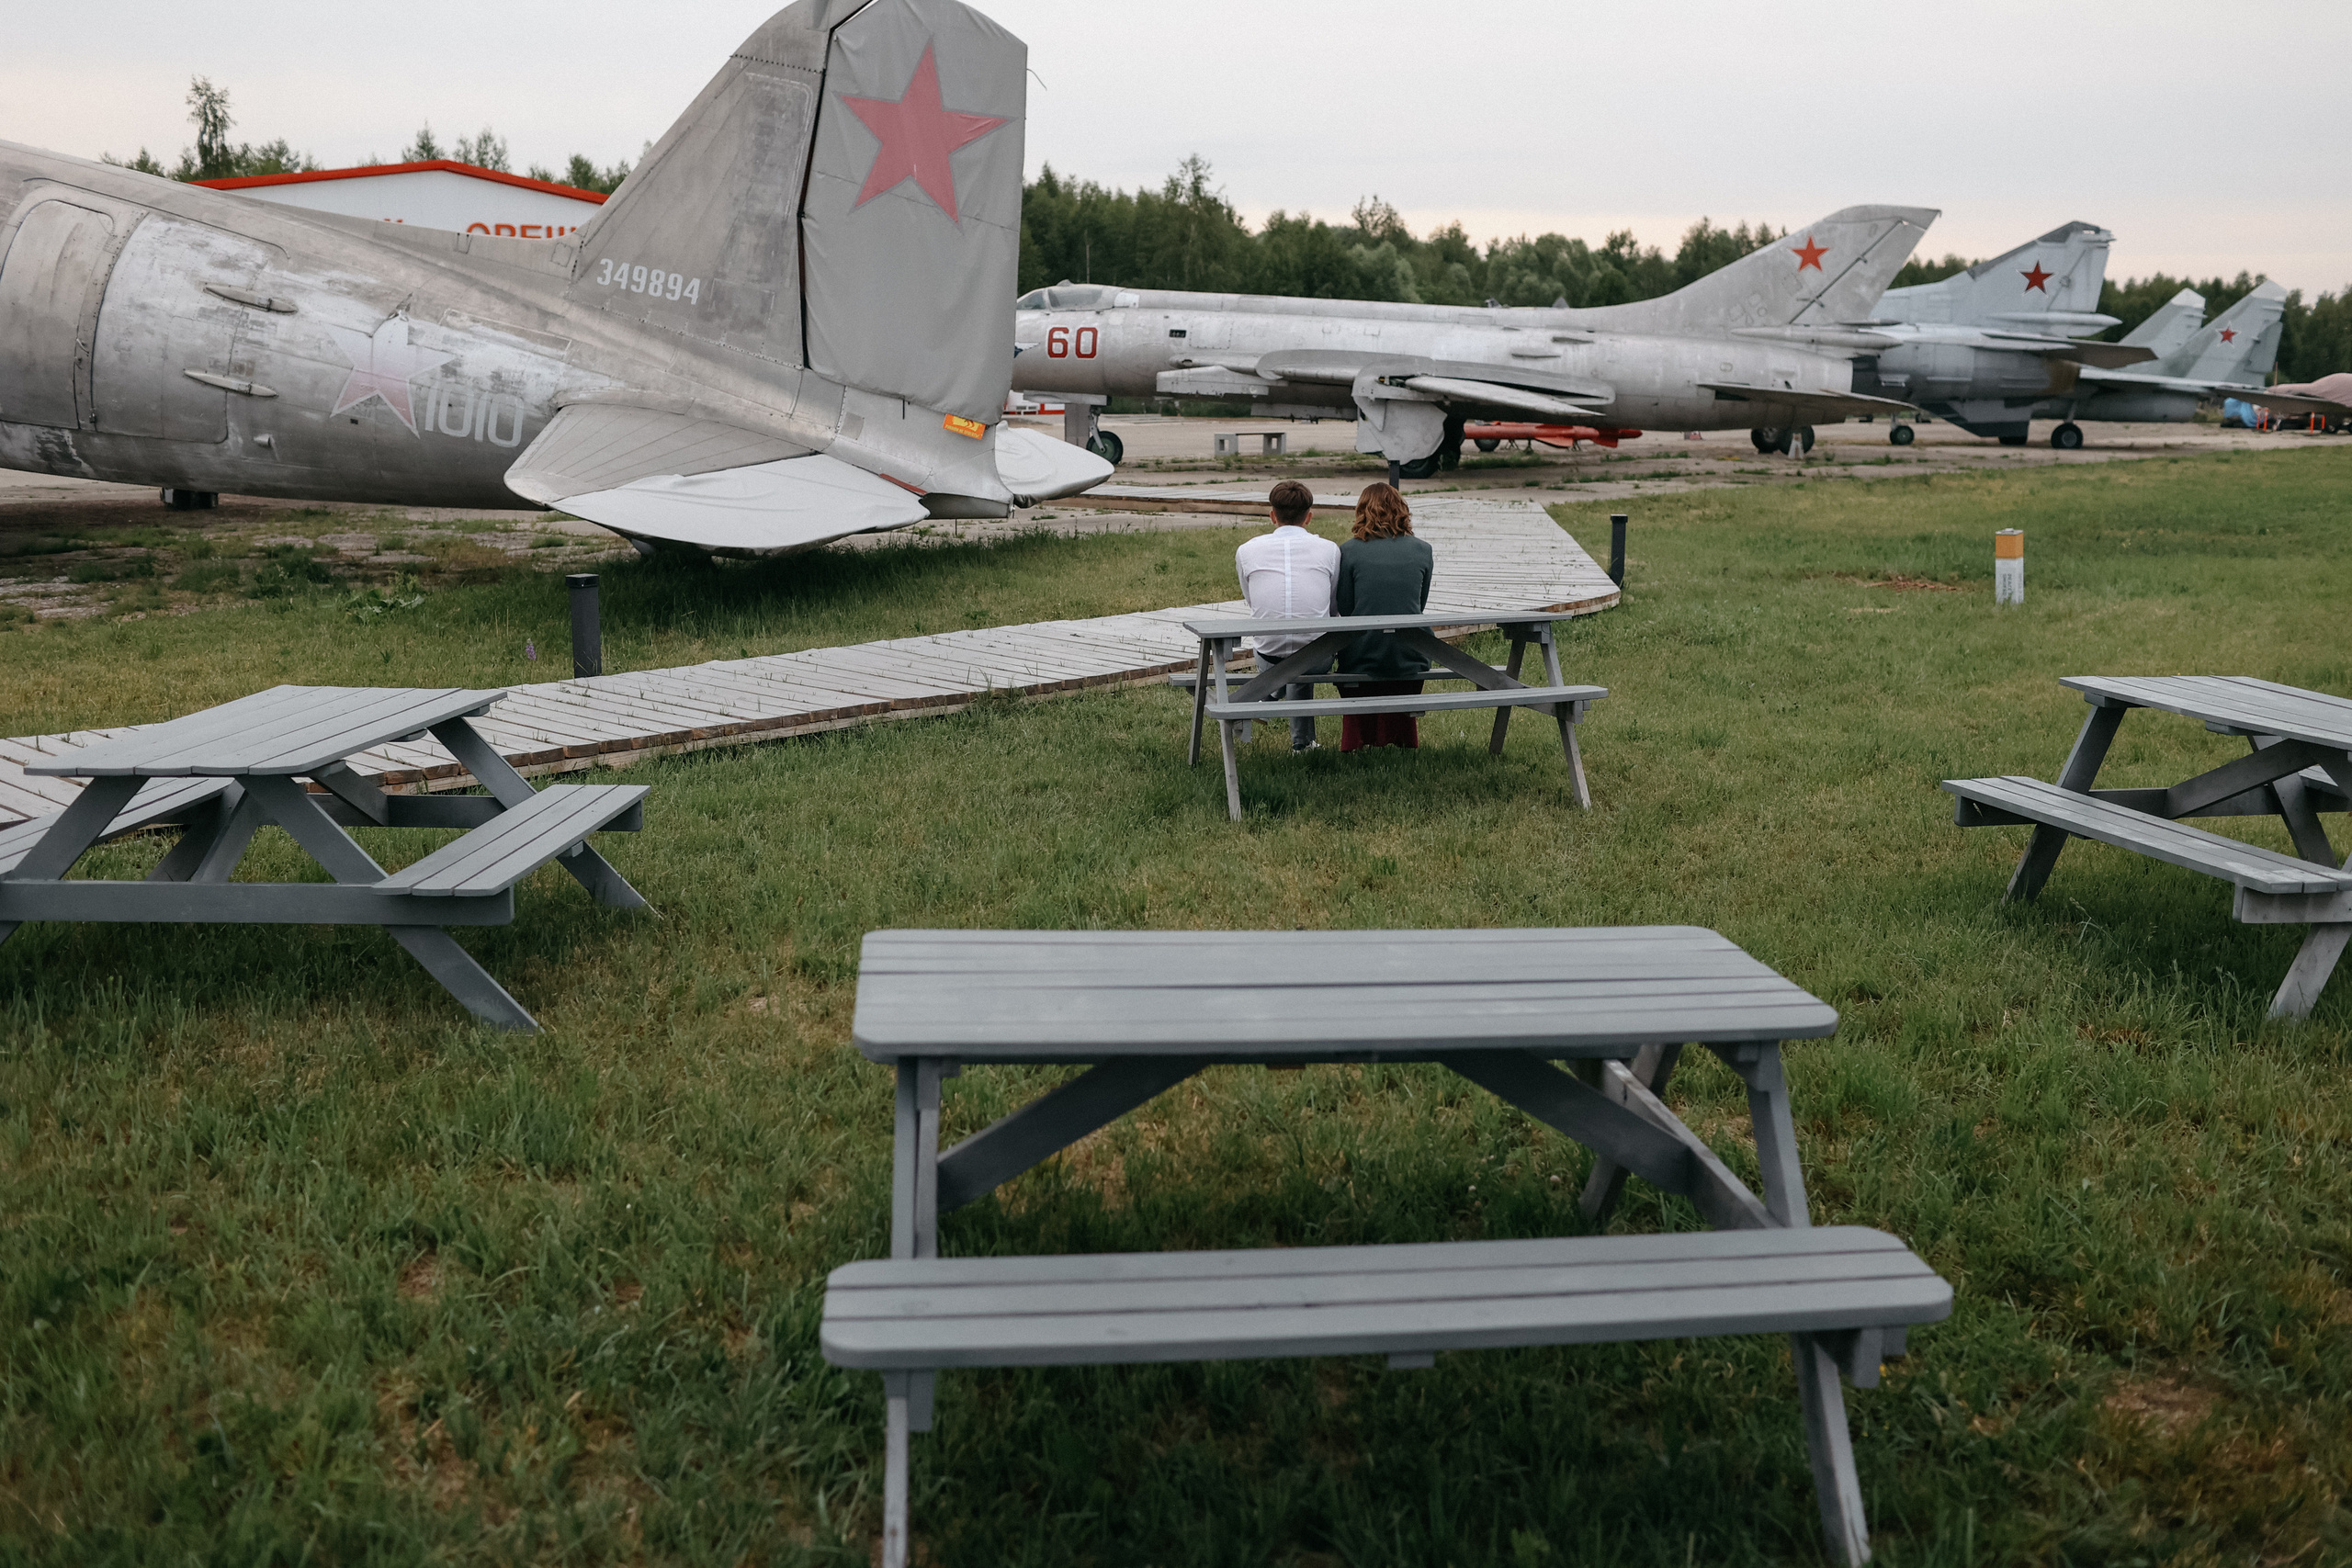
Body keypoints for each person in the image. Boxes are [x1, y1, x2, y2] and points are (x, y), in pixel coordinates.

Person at [1233, 479, 1340, 751]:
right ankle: (1302, 745)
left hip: (1269, 654)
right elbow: (1332, 604)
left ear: (1272, 516)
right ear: (1309, 517)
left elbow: (1251, 600)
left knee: (1289, 653)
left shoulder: (1246, 551)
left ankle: (1263, 698)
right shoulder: (1330, 550)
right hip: (1316, 657)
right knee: (1307, 649)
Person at [1333, 481, 1433, 752]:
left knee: (1349, 648)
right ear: (1402, 510)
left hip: (1362, 655)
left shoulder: (1349, 551)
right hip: (1410, 655)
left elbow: (1346, 606)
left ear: (1361, 511)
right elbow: (1418, 605)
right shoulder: (1423, 550)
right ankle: (1400, 737)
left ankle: (1360, 739)